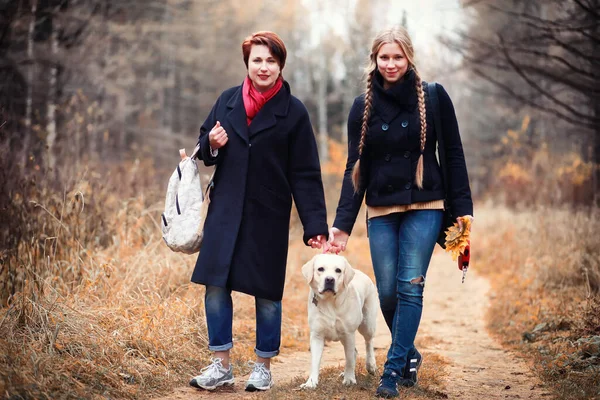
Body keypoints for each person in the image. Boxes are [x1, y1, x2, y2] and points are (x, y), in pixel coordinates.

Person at [328, 26, 473, 398]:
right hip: (380, 207)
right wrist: (342, 225)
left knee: (410, 286)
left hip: (426, 204)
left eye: (398, 57)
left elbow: (453, 155)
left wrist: (462, 210)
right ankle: (409, 352)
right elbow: (353, 169)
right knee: (388, 293)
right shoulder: (363, 106)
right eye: (384, 57)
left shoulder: (434, 97)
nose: (391, 64)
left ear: (409, 59)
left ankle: (392, 373)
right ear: (374, 61)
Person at [189, 31, 329, 392]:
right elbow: (203, 148)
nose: (263, 67)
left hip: (268, 212)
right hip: (225, 209)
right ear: (247, 64)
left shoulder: (293, 111)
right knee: (216, 285)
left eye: (270, 60)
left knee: (267, 292)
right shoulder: (228, 101)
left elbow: (305, 172)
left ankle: (263, 365)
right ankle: (220, 365)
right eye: (257, 60)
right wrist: (211, 144)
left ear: (280, 64)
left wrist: (315, 224)